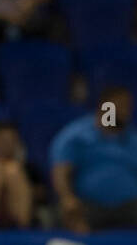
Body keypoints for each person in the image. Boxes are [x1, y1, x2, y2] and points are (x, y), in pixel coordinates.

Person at [51, 87, 137, 233]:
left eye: (128, 107)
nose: (126, 111)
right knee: (70, 213)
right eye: (121, 105)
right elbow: (60, 172)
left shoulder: (132, 139)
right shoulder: (76, 135)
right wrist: (67, 198)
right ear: (104, 106)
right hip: (88, 204)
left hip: (129, 205)